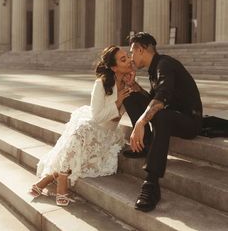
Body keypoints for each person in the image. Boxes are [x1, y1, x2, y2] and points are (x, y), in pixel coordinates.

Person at [29, 45, 134, 206]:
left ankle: (46, 180)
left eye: (127, 57)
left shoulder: (130, 84)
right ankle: (62, 178)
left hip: (108, 134)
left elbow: (115, 121)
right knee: (82, 130)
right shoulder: (101, 83)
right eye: (123, 59)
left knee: (78, 139)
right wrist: (118, 101)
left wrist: (128, 90)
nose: (129, 60)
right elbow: (97, 116)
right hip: (93, 125)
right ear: (114, 67)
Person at [123, 32, 203, 212]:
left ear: (141, 49)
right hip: (172, 115)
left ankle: (151, 185)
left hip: (190, 121)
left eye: (132, 52)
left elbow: (162, 99)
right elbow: (153, 98)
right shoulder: (155, 68)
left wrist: (140, 124)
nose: (131, 57)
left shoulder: (164, 65)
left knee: (161, 115)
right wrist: (135, 87)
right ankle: (145, 146)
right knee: (131, 97)